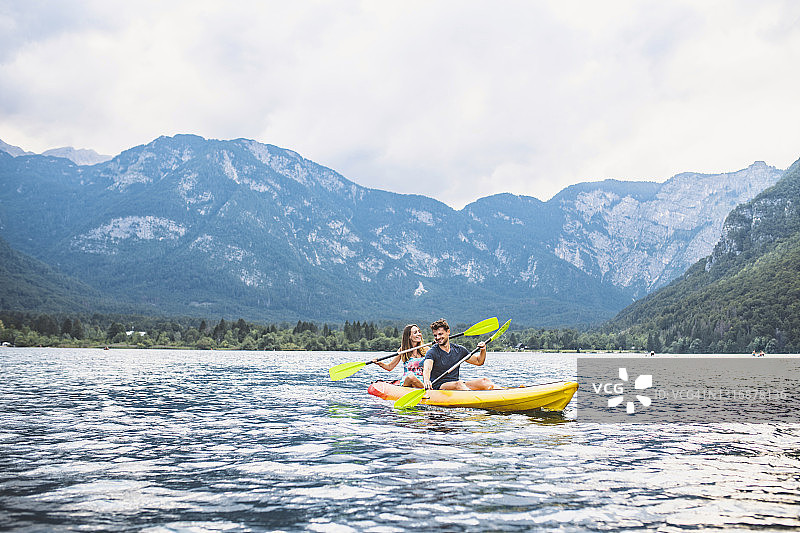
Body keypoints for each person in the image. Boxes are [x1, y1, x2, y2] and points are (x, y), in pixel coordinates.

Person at [423, 318, 494, 391]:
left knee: (485, 381)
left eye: (440, 334)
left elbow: (479, 361)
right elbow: (427, 368)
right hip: (439, 386)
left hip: (456, 384)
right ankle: (474, 398)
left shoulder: (459, 350)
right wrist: (426, 380)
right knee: (459, 384)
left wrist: (483, 350)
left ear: (448, 332)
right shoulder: (432, 352)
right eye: (435, 335)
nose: (437, 338)